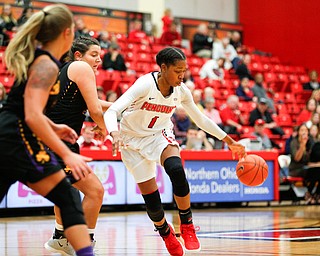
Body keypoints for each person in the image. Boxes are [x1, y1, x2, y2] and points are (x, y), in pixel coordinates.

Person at [103, 47, 246, 256]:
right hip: (131, 140)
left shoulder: (181, 91)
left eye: (184, 70)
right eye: (178, 71)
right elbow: (113, 110)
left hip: (158, 135)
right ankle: (165, 231)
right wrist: (114, 133)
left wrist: (229, 140)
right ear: (163, 68)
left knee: (176, 169)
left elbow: (202, 120)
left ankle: (187, 224)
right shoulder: (144, 84)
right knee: (152, 200)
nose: (182, 76)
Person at [0, 4, 95, 256]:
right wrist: (67, 154)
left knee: (68, 198)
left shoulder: (47, 62)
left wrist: (54, 126)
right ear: (67, 33)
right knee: (68, 197)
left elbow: (25, 106)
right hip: (14, 138)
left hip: (14, 135)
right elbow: (31, 115)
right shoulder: (47, 65)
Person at [44, 36, 112, 255]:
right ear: (78, 55)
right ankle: (83, 242)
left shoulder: (68, 69)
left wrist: (125, 106)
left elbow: (96, 104)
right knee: (95, 191)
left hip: (56, 143)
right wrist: (108, 130)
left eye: (100, 56)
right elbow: (95, 110)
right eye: (94, 54)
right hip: (58, 144)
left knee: (68, 189)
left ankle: (60, 237)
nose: (98, 60)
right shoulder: (82, 68)